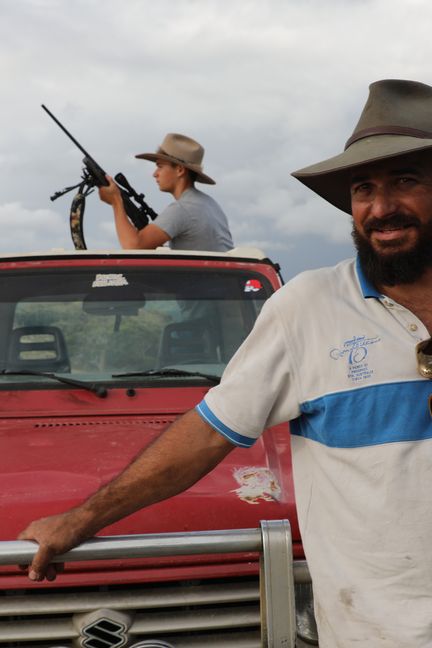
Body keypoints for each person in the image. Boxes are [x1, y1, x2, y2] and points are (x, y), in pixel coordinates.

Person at [18, 79, 432, 647]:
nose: (381, 207)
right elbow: (208, 431)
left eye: (406, 181)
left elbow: (137, 247)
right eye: (364, 188)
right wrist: (81, 520)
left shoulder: (188, 214)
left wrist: (117, 208)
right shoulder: (306, 309)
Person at [99, 132, 233, 251]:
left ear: (180, 170)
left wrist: (116, 201)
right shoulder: (210, 204)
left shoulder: (183, 208)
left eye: (160, 167)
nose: (155, 174)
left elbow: (133, 246)